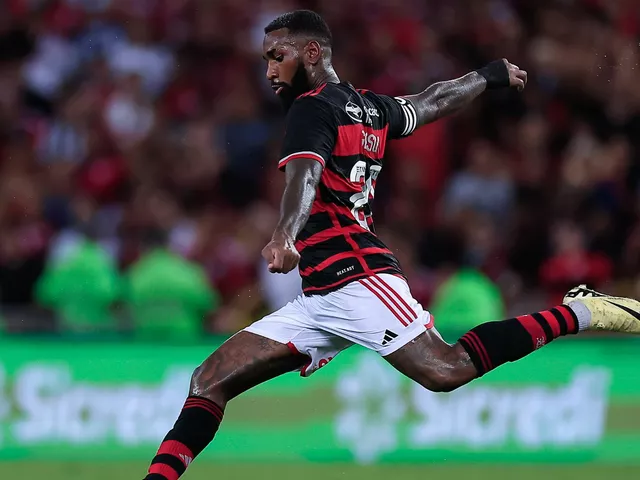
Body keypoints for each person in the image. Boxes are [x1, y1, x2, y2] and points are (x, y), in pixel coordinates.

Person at [143, 10, 640, 480]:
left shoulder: (310, 109)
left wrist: (284, 235)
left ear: (312, 53)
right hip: (319, 296)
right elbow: (433, 101)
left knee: (446, 369)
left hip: (359, 276)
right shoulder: (371, 107)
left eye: (278, 56)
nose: (270, 70)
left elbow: (305, 177)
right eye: (266, 59)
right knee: (210, 379)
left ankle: (582, 313)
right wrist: (486, 76)